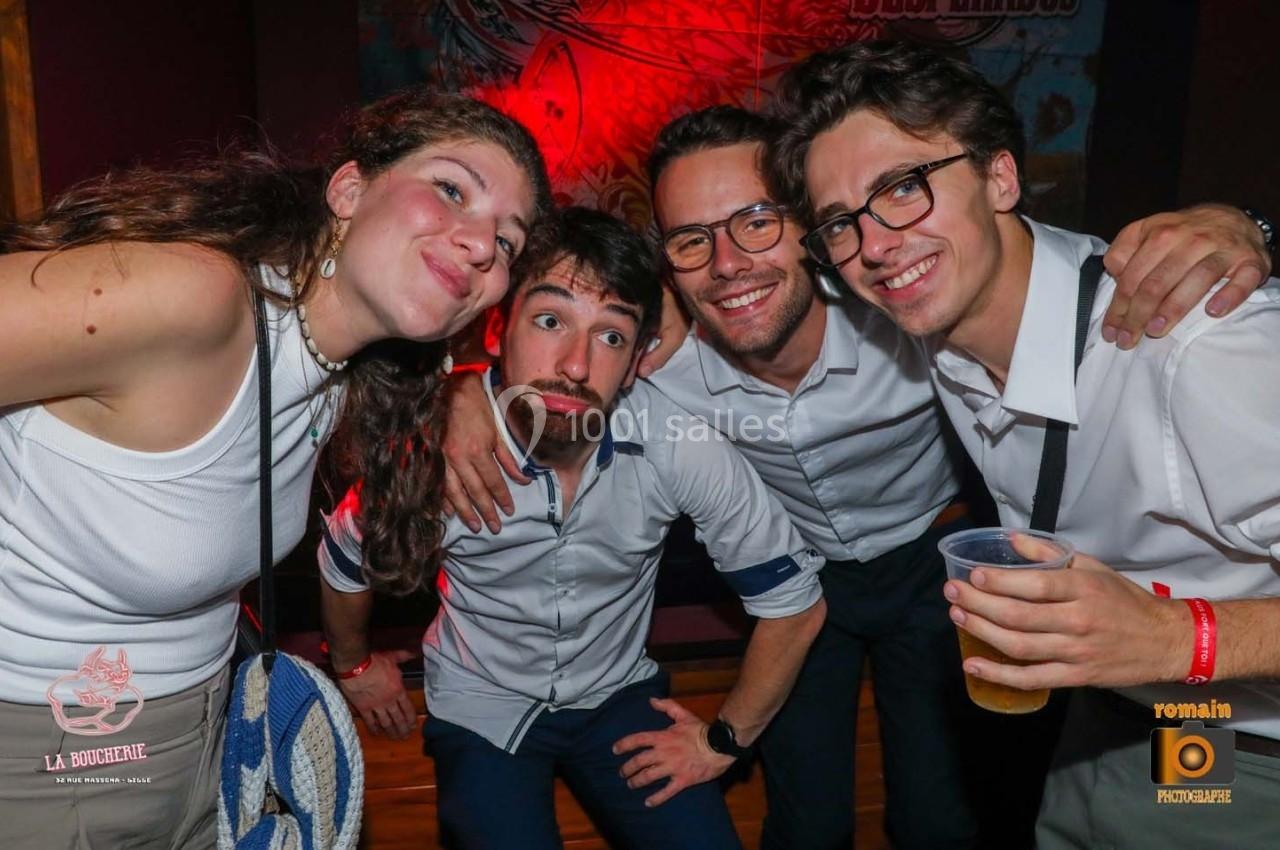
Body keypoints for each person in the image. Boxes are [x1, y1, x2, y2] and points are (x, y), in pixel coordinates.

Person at [441, 104, 1273, 849]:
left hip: (937, 574)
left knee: (945, 816)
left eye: (758, 222)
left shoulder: (912, 316)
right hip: (811, 594)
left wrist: (1238, 225)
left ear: (812, 229)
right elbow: (544, 343)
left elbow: (1032, 269)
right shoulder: (659, 365)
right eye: (694, 240)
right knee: (810, 822)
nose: (728, 263)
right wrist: (463, 392)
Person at [0, 90, 553, 849]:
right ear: (349, 191)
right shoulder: (194, 297)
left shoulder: (339, 367)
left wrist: (462, 388)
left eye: (509, 242)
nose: (483, 244)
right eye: (451, 189)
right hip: (50, 758)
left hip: (209, 741)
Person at [770, 38, 1280, 849]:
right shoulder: (931, 324)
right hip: (1113, 717)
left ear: (1001, 177)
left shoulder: (1193, 345)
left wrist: (1175, 638)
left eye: (903, 188)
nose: (874, 246)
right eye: (840, 222)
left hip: (1246, 747)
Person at [317, 206, 827, 850]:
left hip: (616, 694)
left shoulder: (678, 443)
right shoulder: (436, 449)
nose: (577, 365)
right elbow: (342, 561)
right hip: (483, 704)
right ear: (497, 331)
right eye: (551, 320)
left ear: (640, 358)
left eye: (611, 337)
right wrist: (353, 664)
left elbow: (793, 603)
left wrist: (722, 740)